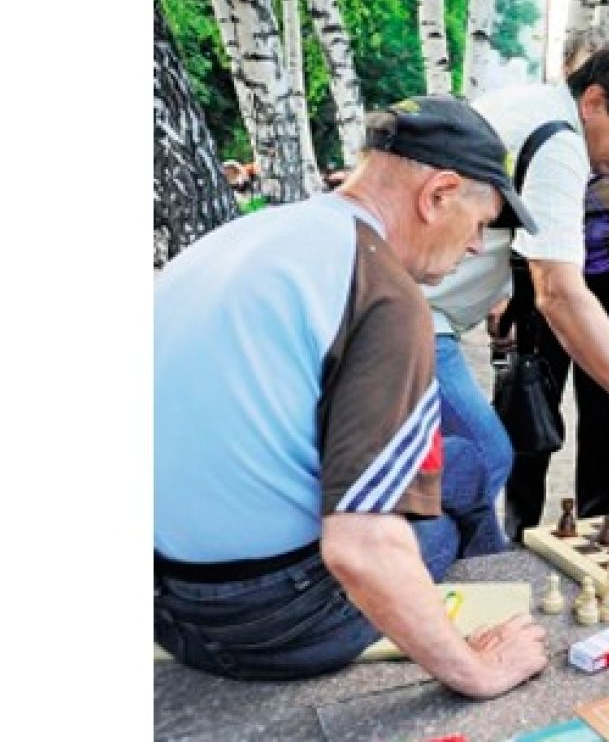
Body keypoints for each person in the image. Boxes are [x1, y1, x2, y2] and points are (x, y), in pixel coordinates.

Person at [155, 96, 548, 695]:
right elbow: (360, 549)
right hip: (267, 624)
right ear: (439, 194)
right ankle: (486, 619)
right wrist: (479, 675)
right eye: (481, 223)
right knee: (465, 475)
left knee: (454, 463)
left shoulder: (255, 232)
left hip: (161, 604)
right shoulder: (384, 292)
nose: (475, 247)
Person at [420, 45, 609, 538]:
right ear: (592, 100)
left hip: (418, 312)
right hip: (417, 316)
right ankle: (480, 575)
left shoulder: (530, 103)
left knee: (461, 462)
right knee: (485, 454)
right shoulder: (560, 142)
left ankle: (468, 564)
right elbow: (560, 293)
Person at [500, 27, 609, 524]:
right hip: (544, 287)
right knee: (534, 402)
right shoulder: (553, 137)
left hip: (605, 288)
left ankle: (596, 522)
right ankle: (522, 523)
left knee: (605, 414)